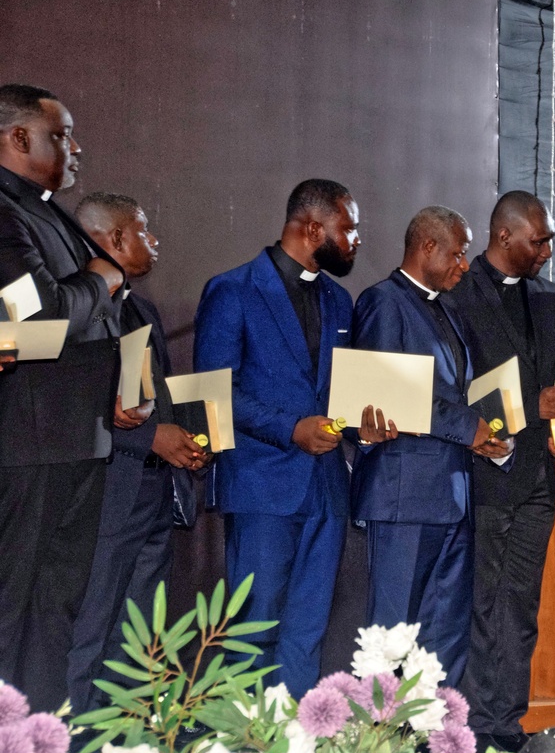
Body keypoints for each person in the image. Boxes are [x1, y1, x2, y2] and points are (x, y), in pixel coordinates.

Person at [194, 179, 385, 694]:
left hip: (326, 489)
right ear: (312, 228)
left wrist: (360, 427)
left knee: (306, 630)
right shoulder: (233, 289)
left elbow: (339, 394)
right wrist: (291, 429)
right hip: (261, 486)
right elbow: (215, 391)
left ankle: (297, 737)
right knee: (253, 628)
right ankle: (243, 737)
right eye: (349, 228)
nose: (356, 240)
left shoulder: (339, 300)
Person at [0, 84, 126, 711]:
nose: (75, 149)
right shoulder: (5, 213)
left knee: (56, 609)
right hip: (29, 445)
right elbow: (38, 320)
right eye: (62, 135)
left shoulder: (49, 211)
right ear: (19, 137)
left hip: (77, 439)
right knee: (13, 606)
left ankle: (43, 742)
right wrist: (101, 278)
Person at [350, 206, 511, 687]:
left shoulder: (447, 309)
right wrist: (469, 427)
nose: (464, 265)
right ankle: (379, 734)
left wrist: (488, 435)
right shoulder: (382, 302)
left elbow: (453, 394)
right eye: (458, 254)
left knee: (445, 636)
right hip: (403, 497)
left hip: (452, 495)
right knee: (391, 636)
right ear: (427, 247)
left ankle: (436, 732)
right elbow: (387, 394)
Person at [444, 190, 555, 753]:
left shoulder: (547, 297)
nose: (547, 251)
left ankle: (507, 723)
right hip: (483, 474)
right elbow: (451, 391)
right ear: (504, 236)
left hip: (536, 480)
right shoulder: (458, 293)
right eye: (539, 241)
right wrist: (531, 405)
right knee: (480, 605)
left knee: (521, 606)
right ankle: (473, 728)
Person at [67, 193, 205, 713]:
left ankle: (132, 733)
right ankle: (76, 742)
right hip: (104, 493)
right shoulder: (75, 309)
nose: (154, 241)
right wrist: (151, 439)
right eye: (145, 231)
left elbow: (151, 397)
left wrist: (188, 439)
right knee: (93, 624)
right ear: (117, 239)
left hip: (153, 493)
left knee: (142, 631)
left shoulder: (142, 309)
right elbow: (70, 408)